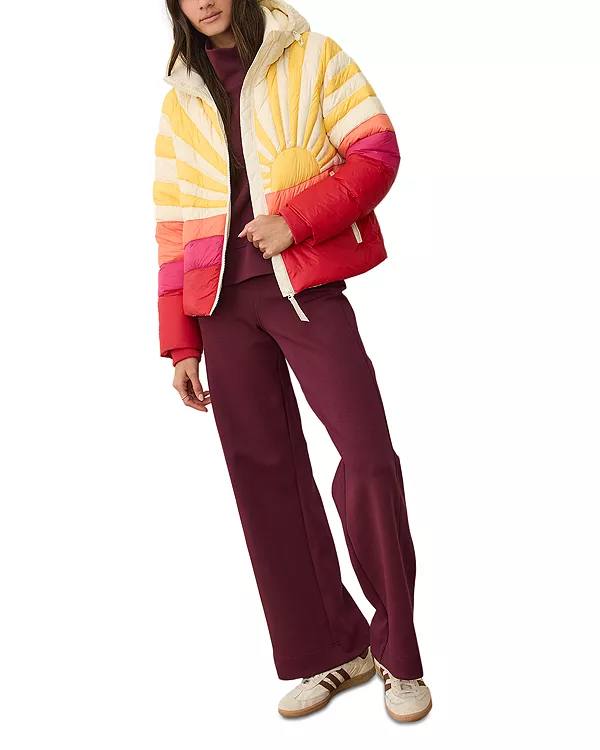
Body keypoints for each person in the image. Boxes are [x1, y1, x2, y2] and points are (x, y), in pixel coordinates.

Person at [153, 0, 432, 721]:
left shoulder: (312, 56)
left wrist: (295, 222)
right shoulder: (182, 94)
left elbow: (377, 153)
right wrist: (181, 341)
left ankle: (399, 652)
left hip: (304, 287)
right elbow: (173, 226)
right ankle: (333, 648)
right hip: (219, 307)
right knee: (264, 478)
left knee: (368, 457)